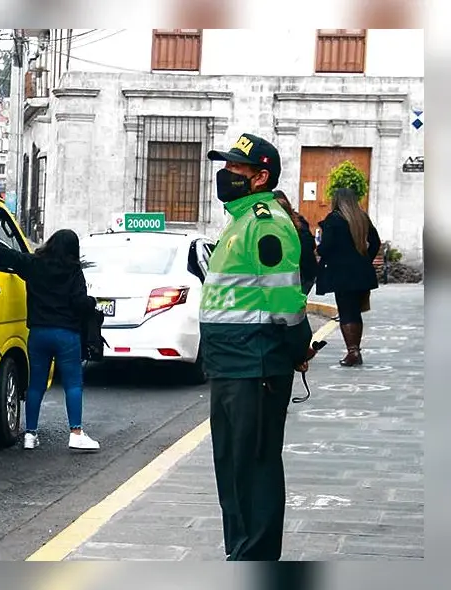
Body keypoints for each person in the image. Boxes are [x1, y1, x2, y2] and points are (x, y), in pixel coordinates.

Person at [202, 133, 315, 561]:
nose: (226, 174)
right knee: (232, 468)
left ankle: (256, 559)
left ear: (260, 177)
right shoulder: (240, 221)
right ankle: (241, 554)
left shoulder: (265, 222)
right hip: (231, 364)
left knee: (255, 466)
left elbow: (285, 299)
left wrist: (297, 347)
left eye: (236, 168)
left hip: (257, 365)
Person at [0, 229, 100, 452]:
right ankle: (76, 433)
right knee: (73, 384)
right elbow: (78, 303)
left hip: (38, 334)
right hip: (67, 335)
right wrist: (92, 302)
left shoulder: (33, 264)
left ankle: (30, 434)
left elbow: (6, 256)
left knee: (35, 384)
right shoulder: (73, 271)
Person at [314, 186, 381, 366]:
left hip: (342, 275)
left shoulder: (334, 219)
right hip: (362, 273)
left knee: (346, 312)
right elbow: (375, 242)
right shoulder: (362, 218)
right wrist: (365, 260)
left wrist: (319, 250)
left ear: (337, 201)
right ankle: (355, 350)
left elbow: (326, 247)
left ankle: (353, 352)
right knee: (355, 312)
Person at [272, 190, 318, 295]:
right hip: (306, 271)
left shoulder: (276, 224)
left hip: (293, 272)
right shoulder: (300, 220)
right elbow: (311, 244)